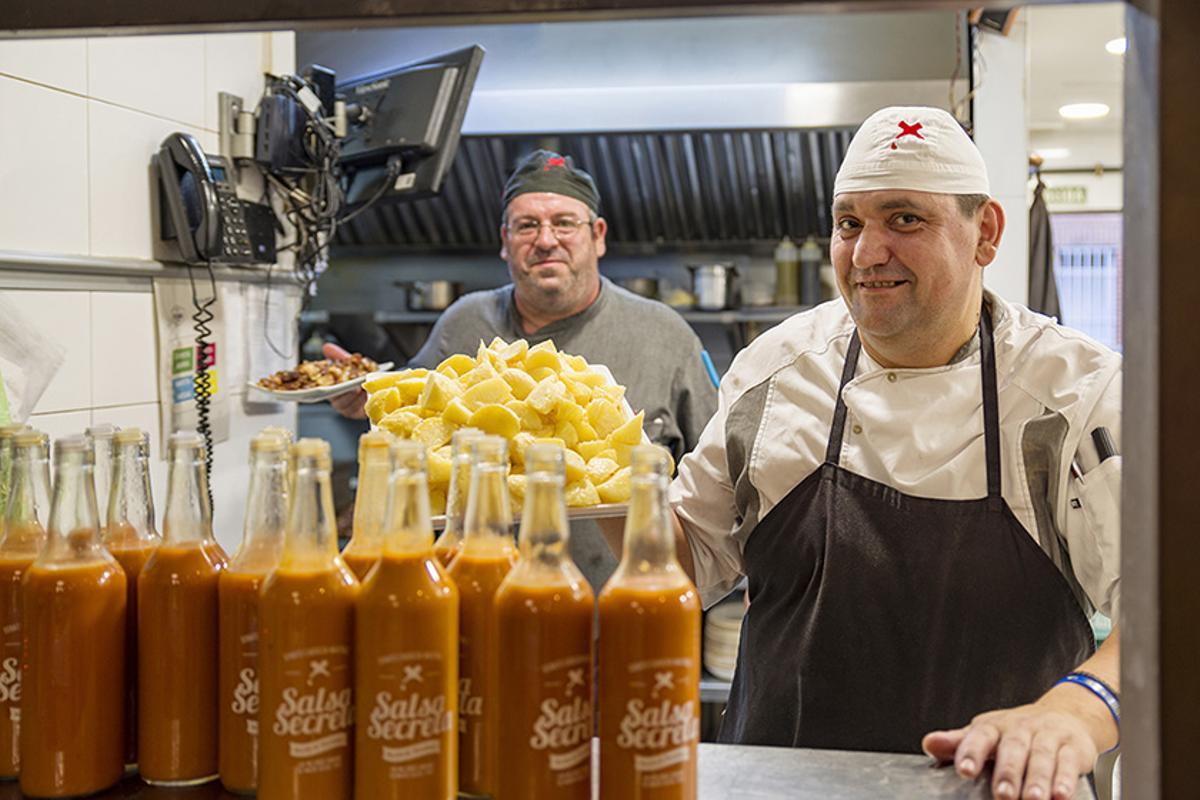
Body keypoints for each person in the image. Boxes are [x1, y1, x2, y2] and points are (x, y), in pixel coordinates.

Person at [640, 107, 1121, 800]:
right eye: (849, 223)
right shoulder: (775, 372)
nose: (866, 254)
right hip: (781, 788)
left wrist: (1074, 713)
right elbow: (682, 560)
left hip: (992, 787)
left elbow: (1166, 608)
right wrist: (588, 483)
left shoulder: (1074, 392)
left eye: (905, 219)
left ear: (985, 233)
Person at [328, 149, 718, 585]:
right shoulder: (463, 323)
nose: (546, 240)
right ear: (505, 240)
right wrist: (363, 397)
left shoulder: (666, 334)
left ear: (598, 235)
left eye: (564, 223)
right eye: (527, 225)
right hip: (477, 603)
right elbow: (407, 419)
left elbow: (718, 481)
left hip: (627, 604)